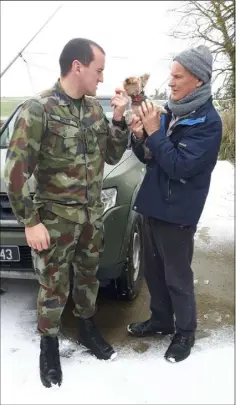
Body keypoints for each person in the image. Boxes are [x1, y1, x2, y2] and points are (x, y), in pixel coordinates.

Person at [4, 38, 129, 387]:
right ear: (78, 66)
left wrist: (118, 118)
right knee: (53, 286)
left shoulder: (92, 110)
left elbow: (113, 154)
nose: (102, 78)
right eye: (98, 69)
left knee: (89, 279)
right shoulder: (38, 109)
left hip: (91, 217)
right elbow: (14, 174)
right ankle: (48, 346)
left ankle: (88, 329)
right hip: (55, 220)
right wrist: (30, 222)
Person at [127, 45, 222, 362]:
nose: (171, 82)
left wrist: (154, 133)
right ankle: (160, 320)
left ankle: (185, 333)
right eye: (171, 75)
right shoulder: (171, 111)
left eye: (178, 76)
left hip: (178, 210)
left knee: (177, 277)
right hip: (154, 203)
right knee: (153, 273)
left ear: (198, 80)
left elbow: (180, 166)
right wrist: (141, 137)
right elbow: (150, 159)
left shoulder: (208, 122)